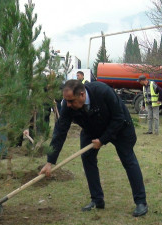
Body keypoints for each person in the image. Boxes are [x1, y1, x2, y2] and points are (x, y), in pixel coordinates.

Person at [39, 80, 148, 217]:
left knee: (128, 159)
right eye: (66, 101)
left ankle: (141, 202)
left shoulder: (103, 91)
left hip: (119, 127)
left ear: (82, 95)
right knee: (87, 158)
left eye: (71, 101)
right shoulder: (68, 106)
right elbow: (60, 132)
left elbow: (119, 118)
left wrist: (103, 140)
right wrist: (50, 161)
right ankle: (97, 200)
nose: (68, 105)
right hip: (91, 129)